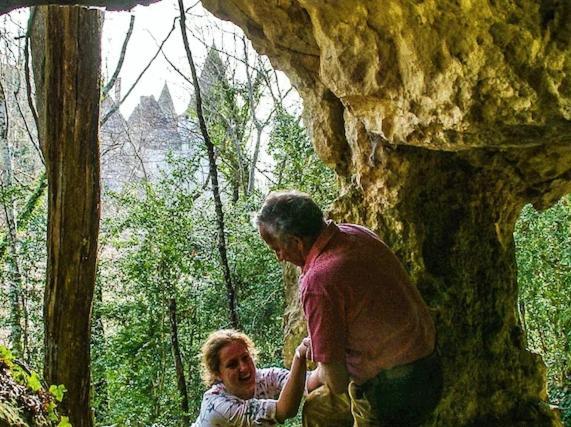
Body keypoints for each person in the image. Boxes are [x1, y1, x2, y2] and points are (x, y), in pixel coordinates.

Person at [256, 190, 443, 426]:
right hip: (430, 367)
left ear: (296, 242)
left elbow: (337, 381)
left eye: (277, 249)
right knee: (319, 411)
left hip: (394, 390)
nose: (280, 258)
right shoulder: (354, 233)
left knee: (324, 395)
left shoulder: (319, 281)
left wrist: (310, 380)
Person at [192, 329, 309, 426]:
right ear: (217, 374)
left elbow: (308, 382)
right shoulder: (218, 407)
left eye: (245, 358)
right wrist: (299, 355)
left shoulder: (263, 379)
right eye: (232, 365)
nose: (243, 367)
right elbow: (285, 410)